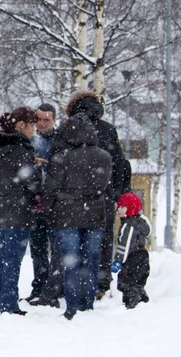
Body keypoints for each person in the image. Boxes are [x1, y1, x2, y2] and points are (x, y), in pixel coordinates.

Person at [63, 90, 131, 299]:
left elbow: (58, 164)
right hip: (103, 196)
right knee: (100, 241)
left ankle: (72, 286)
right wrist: (117, 194)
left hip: (72, 198)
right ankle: (99, 283)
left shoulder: (67, 129)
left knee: (73, 243)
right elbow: (120, 165)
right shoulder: (108, 130)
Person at [45, 114, 112, 320]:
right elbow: (104, 185)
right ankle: (87, 303)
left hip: (66, 215)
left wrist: (49, 208)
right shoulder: (104, 157)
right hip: (94, 213)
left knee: (71, 261)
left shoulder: (61, 157)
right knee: (91, 261)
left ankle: (73, 305)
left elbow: (51, 187)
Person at [0, 107, 41, 316]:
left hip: (0, 209)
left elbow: (6, 175)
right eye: (32, 126)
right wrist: (36, 171)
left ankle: (5, 300)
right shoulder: (21, 149)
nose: (33, 131)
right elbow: (30, 183)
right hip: (17, 211)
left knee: (5, 258)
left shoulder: (0, 146)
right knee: (12, 260)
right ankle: (9, 305)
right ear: (22, 125)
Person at [27, 102, 62, 307]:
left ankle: (53, 288)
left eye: (46, 120)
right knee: (37, 249)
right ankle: (39, 285)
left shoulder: (60, 141)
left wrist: (49, 166)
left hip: (54, 204)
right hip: (34, 203)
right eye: (39, 120)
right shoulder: (30, 140)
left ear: (54, 120)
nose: (42, 123)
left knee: (56, 249)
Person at [112, 192, 150, 309]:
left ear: (131, 209)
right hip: (143, 256)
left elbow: (125, 245)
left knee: (125, 282)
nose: (119, 210)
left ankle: (132, 304)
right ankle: (142, 299)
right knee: (138, 281)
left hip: (132, 257)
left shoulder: (130, 225)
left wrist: (118, 261)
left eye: (123, 207)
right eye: (118, 207)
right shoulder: (140, 222)